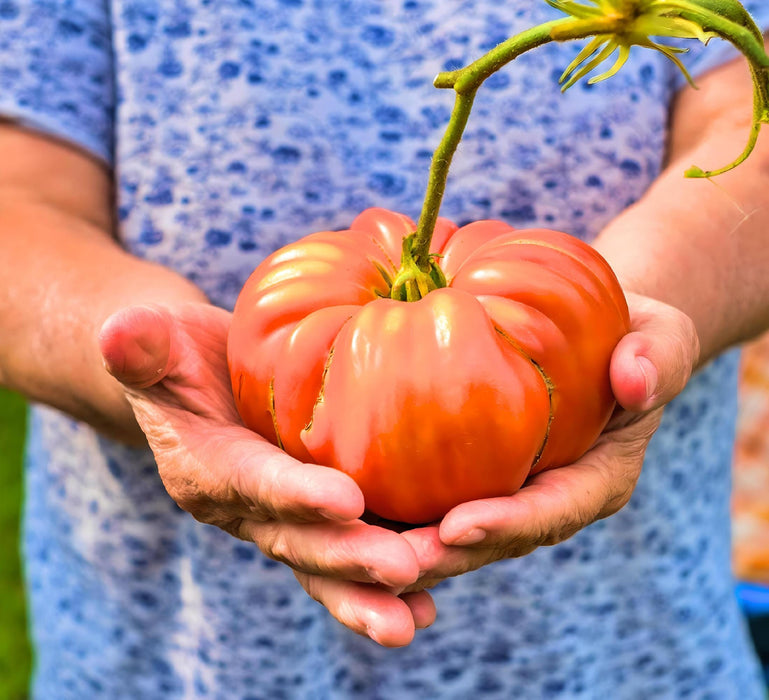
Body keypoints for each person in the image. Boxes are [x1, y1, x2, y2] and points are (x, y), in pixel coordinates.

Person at [1, 0, 769, 697]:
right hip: (176, 655)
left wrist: (621, 320)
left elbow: (751, 128)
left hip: (627, 652)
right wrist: (150, 367)